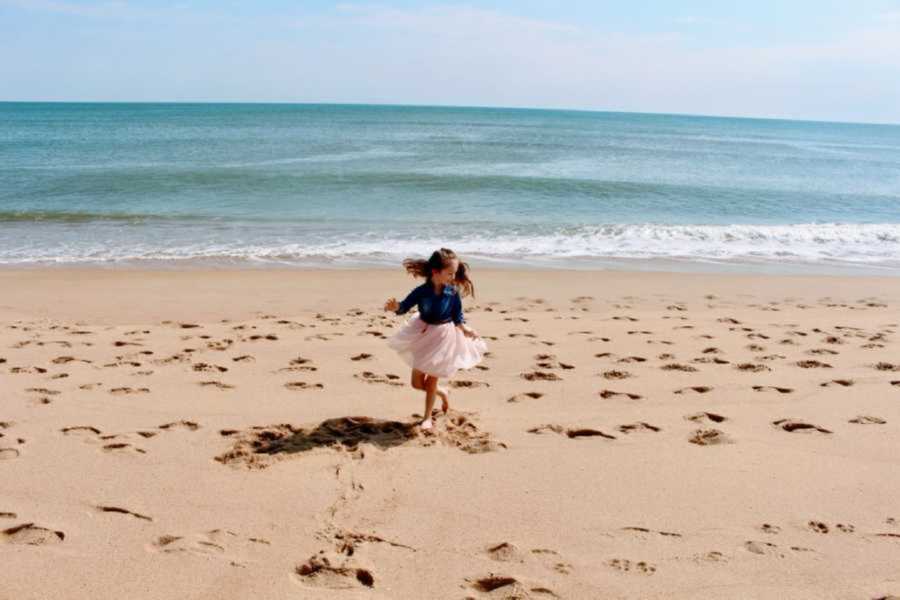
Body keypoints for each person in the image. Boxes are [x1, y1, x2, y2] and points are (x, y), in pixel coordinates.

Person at [383, 248, 487, 430]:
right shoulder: (421, 291)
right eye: (450, 273)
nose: (453, 277)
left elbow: (457, 316)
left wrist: (465, 329)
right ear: (435, 271)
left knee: (431, 381)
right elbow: (404, 307)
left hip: (444, 337)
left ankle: (427, 418)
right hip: (423, 334)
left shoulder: (452, 291)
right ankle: (443, 393)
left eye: (454, 273)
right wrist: (395, 307)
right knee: (416, 384)